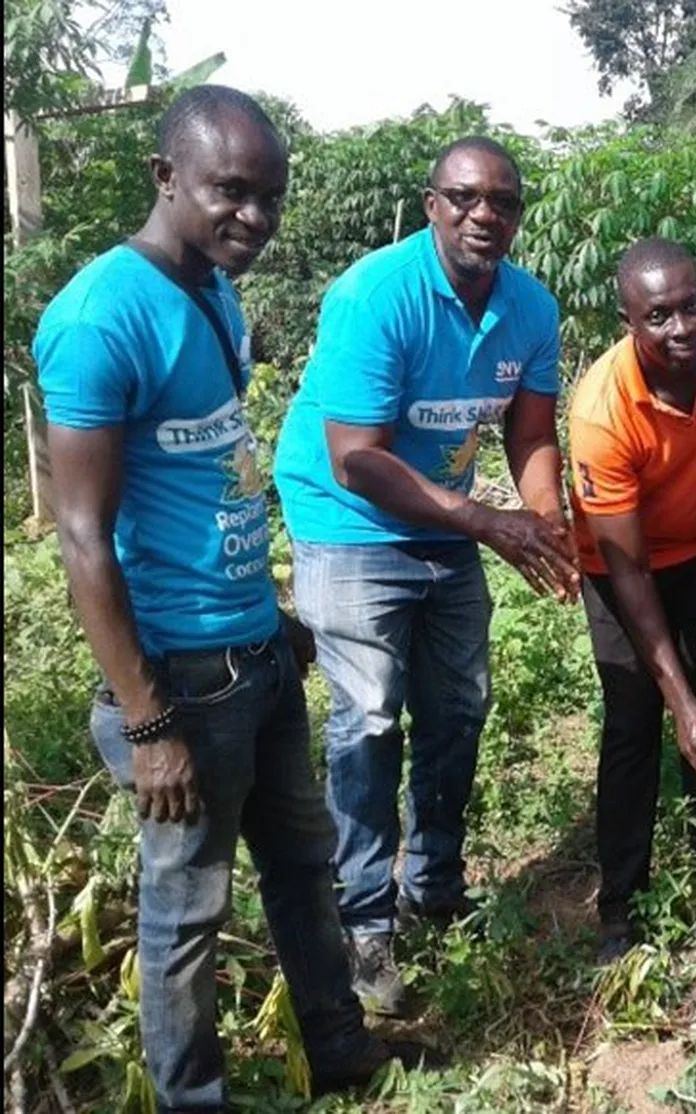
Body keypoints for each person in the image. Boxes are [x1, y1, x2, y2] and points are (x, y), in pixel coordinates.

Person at [35, 85, 434, 1110]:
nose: (253, 216)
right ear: (166, 178)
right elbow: (83, 538)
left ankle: (342, 1052)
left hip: (256, 654)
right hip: (184, 686)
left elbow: (216, 473)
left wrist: (276, 612)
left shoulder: (213, 289)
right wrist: (147, 717)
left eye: (269, 196)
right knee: (186, 916)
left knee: (304, 869)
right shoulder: (97, 319)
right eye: (230, 192)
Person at [272, 136, 579, 1016]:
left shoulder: (530, 307)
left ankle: (434, 880)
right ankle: (365, 921)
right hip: (351, 520)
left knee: (458, 705)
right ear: (432, 204)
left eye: (504, 202)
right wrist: (490, 523)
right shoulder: (376, 296)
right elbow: (356, 459)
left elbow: (528, 433)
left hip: (443, 521)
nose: (486, 215)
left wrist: (545, 525)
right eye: (465, 198)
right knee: (368, 716)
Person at [568, 237, 696, 961]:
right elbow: (627, 572)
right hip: (622, 564)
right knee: (637, 719)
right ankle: (620, 907)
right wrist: (676, 700)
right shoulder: (601, 411)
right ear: (629, 321)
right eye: (659, 316)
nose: (683, 327)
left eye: (691, 306)